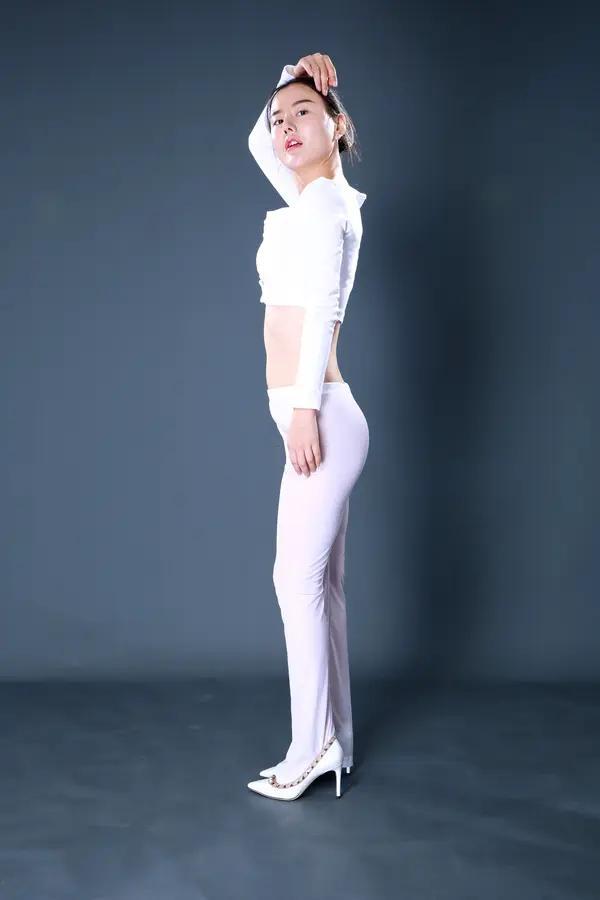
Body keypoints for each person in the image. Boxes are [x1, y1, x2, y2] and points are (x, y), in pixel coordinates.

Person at [246, 53, 370, 801]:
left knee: (294, 581)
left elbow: (323, 305)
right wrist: (293, 72)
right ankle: (337, 740)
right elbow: (255, 143)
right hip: (313, 408)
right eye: (278, 117)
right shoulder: (309, 195)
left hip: (318, 409)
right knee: (322, 586)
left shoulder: (325, 203)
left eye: (303, 113)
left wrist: (300, 410)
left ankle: (309, 748)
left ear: (337, 125)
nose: (284, 128)